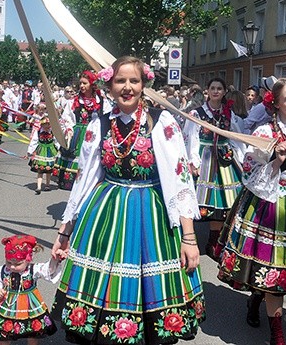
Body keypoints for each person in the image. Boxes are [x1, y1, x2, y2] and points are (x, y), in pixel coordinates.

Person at [51, 56, 205, 344]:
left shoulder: (162, 121)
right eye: (121, 80)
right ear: (109, 86)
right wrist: (65, 231)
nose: (127, 87)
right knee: (103, 296)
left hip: (152, 214)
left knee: (151, 298)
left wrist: (189, 237)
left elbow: (180, 180)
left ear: (144, 84)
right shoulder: (99, 124)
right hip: (105, 213)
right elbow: (84, 180)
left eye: (134, 80)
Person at [217, 78, 286, 345]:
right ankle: (277, 334)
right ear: (275, 103)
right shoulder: (266, 132)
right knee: (271, 263)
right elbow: (249, 169)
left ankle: (257, 301)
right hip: (271, 202)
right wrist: (276, 161)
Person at [184, 77, 246, 260]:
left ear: (224, 91)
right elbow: (191, 136)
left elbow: (236, 136)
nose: (216, 91)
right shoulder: (197, 113)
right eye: (213, 88)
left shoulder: (229, 114)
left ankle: (214, 242)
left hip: (225, 158)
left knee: (223, 202)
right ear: (207, 91)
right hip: (205, 156)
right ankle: (188, 239)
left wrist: (241, 159)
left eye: (219, 88)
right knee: (199, 200)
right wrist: (193, 160)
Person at [0, 235, 61, 344]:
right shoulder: (2, 270)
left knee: (32, 331)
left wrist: (55, 259)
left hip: (30, 305)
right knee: (3, 333)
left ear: (28, 259)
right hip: (8, 304)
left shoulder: (33, 269)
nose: (12, 267)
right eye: (9, 262)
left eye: (17, 264)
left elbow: (48, 270)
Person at [53, 71, 105, 191]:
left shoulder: (101, 101)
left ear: (92, 84)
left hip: (95, 135)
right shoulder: (74, 101)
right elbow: (66, 118)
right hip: (78, 136)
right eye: (80, 83)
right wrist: (69, 129)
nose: (81, 86)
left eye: (84, 83)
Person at [27, 117, 59, 195]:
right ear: (42, 124)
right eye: (46, 124)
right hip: (41, 151)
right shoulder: (38, 132)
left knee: (48, 170)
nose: (47, 126)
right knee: (40, 170)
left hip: (50, 151)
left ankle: (47, 185)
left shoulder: (53, 132)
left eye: (49, 124)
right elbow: (34, 141)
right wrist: (30, 151)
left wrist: (58, 149)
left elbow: (56, 141)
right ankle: (39, 187)